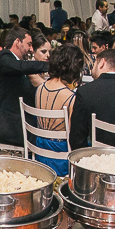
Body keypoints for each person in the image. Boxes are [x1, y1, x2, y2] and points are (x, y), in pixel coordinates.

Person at [0, 27, 49, 147]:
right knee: (50, 140)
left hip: (15, 122)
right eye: (29, 44)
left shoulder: (14, 62)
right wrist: (50, 66)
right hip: (7, 126)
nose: (31, 49)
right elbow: (20, 66)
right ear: (17, 42)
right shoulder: (2, 57)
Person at [30, 43, 83, 176]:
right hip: (61, 157)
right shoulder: (71, 97)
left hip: (39, 151)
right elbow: (73, 136)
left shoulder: (40, 88)